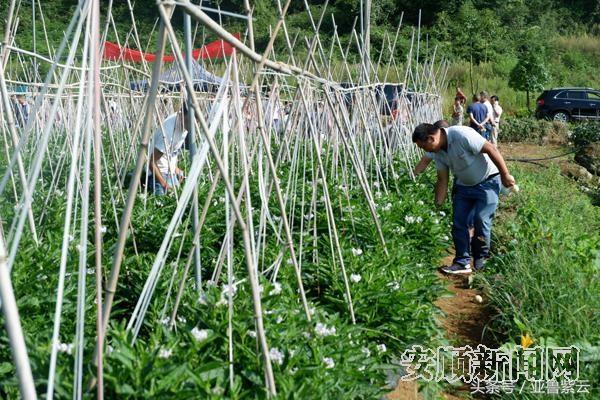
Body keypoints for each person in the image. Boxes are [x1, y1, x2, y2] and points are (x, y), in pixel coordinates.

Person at [412, 123, 516, 274]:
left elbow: (491, 148)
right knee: (459, 222)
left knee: (481, 220)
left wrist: (505, 174)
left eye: (423, 147)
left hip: (487, 181)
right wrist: (437, 206)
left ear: (430, 139)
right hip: (463, 186)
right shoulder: (438, 152)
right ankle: (462, 262)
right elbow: (442, 180)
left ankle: (481, 260)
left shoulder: (461, 135)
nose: (424, 151)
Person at [148, 104, 190, 195]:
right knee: (163, 198)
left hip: (170, 169)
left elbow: (174, 150)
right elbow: (151, 162)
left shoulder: (186, 124)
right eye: (188, 121)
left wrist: (175, 168)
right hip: (159, 171)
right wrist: (164, 184)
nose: (192, 126)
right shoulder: (168, 132)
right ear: (181, 115)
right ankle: (150, 181)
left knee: (179, 191)